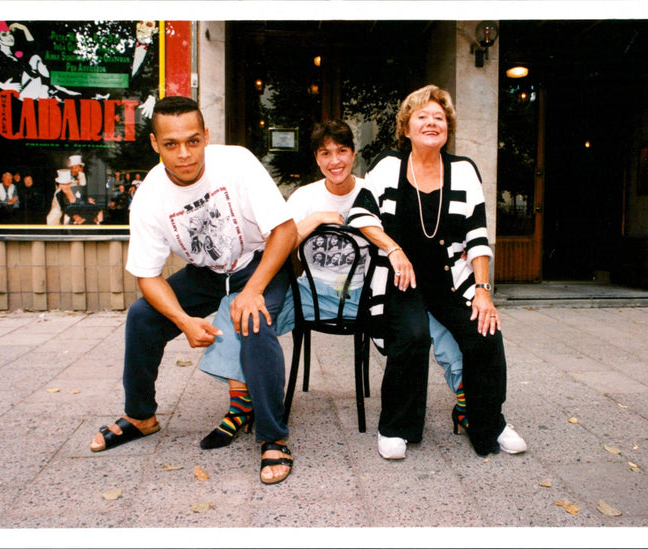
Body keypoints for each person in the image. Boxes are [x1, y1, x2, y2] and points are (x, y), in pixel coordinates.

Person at [198, 119, 466, 447]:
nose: (334, 160)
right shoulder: (304, 196)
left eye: (341, 151)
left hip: (366, 295)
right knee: (235, 305)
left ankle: (466, 399)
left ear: (353, 154)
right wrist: (315, 219)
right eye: (325, 153)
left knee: (431, 319)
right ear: (316, 159)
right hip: (309, 294)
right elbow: (280, 245)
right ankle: (240, 408)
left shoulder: (373, 190)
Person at [89, 96, 297, 486]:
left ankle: (273, 436)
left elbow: (285, 231)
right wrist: (183, 321)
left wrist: (253, 290)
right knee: (142, 317)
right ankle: (141, 415)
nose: (184, 154)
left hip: (259, 259)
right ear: (155, 145)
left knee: (252, 318)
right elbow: (147, 276)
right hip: (206, 271)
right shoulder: (149, 197)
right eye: (171, 144)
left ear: (206, 136)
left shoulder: (237, 162)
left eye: (193, 141)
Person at [347, 85, 526, 459]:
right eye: (422, 117)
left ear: (448, 128)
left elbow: (477, 235)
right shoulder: (389, 165)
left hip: (451, 280)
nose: (431, 123)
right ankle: (396, 426)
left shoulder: (463, 170)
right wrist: (394, 249)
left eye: (439, 118)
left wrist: (483, 290)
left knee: (485, 332)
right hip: (401, 280)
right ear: (407, 127)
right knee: (413, 336)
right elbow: (361, 216)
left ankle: (488, 421)